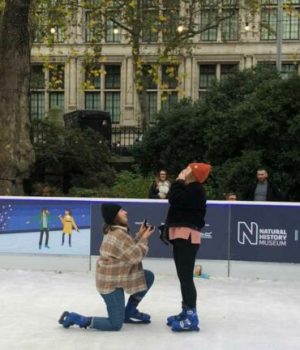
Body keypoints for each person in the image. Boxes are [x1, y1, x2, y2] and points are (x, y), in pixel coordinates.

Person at [58, 203, 155, 331]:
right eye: (121, 211)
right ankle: (78, 319)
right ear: (115, 216)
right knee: (115, 324)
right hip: (110, 284)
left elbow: (128, 250)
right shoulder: (118, 234)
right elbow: (135, 257)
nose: (125, 212)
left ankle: (130, 311)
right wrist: (144, 238)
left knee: (147, 276)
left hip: (117, 276)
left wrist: (140, 236)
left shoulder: (116, 230)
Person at [165, 162, 212, 332]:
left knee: (186, 277)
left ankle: (192, 316)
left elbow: (174, 199)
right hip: (182, 235)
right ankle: (186, 311)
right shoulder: (191, 189)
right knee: (183, 276)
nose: (184, 170)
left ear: (194, 174)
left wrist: (178, 180)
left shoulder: (196, 189)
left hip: (187, 236)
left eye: (188, 169)